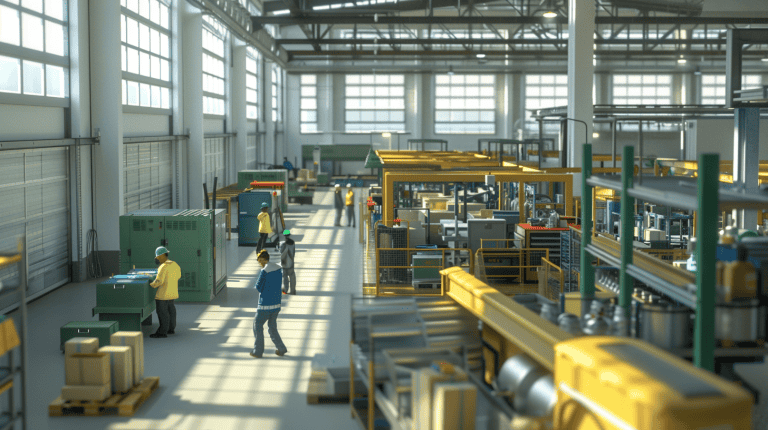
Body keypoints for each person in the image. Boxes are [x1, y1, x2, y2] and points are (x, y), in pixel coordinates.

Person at [251, 249, 287, 358]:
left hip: (265, 305)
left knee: (257, 325)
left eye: (260, 261)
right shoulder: (278, 269)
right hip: (276, 304)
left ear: (263, 260)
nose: (259, 264)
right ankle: (281, 348)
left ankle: (258, 351)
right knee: (272, 327)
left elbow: (258, 287)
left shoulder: (264, 271)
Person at [149, 246, 181, 339]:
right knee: (171, 311)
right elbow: (178, 276)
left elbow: (159, 281)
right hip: (172, 293)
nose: (157, 259)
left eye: (157, 257)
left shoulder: (162, 267)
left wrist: (151, 284)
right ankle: (171, 329)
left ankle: (162, 332)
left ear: (162, 256)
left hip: (163, 295)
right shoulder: (175, 264)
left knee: (162, 313)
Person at [279, 229, 296, 295]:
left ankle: (285, 290)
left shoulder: (283, 244)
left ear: (284, 235)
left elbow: (281, 253)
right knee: (292, 276)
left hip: (284, 263)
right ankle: (293, 291)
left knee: (285, 277)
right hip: (291, 262)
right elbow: (294, 252)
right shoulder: (293, 243)